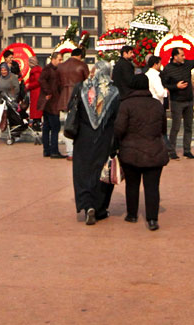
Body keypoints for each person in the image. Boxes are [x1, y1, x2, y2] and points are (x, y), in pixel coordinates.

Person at [114, 73, 168, 231]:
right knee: (152, 187)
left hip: (131, 152)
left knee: (132, 184)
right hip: (155, 150)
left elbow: (119, 129)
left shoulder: (126, 105)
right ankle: (152, 219)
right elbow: (163, 128)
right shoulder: (157, 105)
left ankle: (132, 214)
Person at [68, 60, 120, 225]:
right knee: (102, 172)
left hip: (83, 137)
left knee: (83, 171)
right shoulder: (114, 91)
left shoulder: (81, 88)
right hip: (104, 138)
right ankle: (100, 208)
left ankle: (87, 205)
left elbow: (70, 107)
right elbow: (117, 117)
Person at [56, 49, 87, 158]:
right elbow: (87, 82)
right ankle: (79, 150)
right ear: (79, 56)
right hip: (78, 97)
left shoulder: (61, 66)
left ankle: (70, 152)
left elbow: (58, 83)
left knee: (67, 124)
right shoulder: (82, 65)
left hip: (64, 97)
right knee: (80, 124)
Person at [39, 52, 63, 158]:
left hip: (52, 101)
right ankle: (53, 150)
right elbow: (41, 80)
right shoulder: (48, 69)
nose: (60, 61)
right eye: (59, 59)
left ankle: (47, 150)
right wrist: (48, 92)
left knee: (47, 126)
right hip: (50, 102)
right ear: (53, 59)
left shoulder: (56, 70)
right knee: (54, 126)